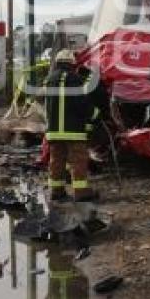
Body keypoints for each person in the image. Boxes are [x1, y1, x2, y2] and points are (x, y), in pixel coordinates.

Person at [44, 50, 99, 202]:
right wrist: (95, 114)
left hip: (54, 131)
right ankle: (81, 193)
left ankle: (56, 191)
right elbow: (81, 103)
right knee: (78, 160)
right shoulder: (76, 79)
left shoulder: (49, 79)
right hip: (74, 130)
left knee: (56, 160)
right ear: (72, 63)